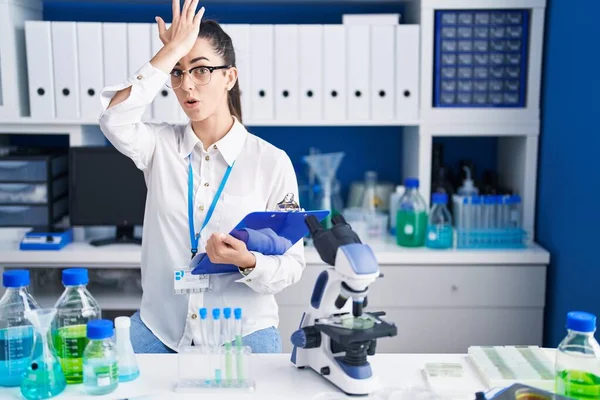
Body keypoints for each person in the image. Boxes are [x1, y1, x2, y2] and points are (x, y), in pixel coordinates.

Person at [98, 0, 305, 354]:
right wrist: (170, 50)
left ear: (229, 76)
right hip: (160, 330)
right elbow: (113, 119)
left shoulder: (271, 162)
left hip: (243, 332)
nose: (187, 86)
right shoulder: (159, 146)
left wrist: (248, 261)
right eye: (177, 73)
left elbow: (292, 265)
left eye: (201, 70)